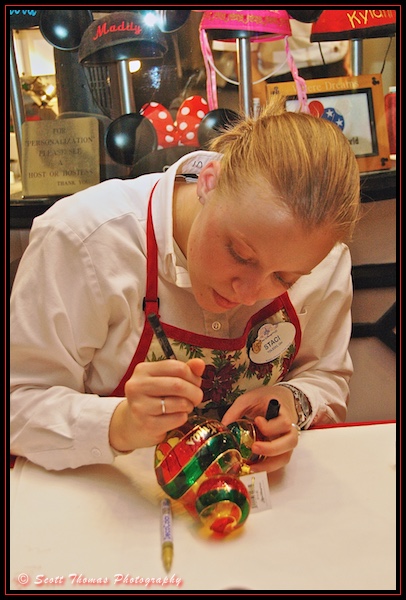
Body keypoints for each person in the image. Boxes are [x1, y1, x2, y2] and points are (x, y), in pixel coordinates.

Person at [10, 94, 360, 473]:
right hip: (110, 500)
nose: (247, 292)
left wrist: (292, 401)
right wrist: (120, 423)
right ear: (209, 182)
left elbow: (326, 376)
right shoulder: (83, 239)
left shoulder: (324, 259)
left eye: (283, 278)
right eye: (240, 254)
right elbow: (19, 403)